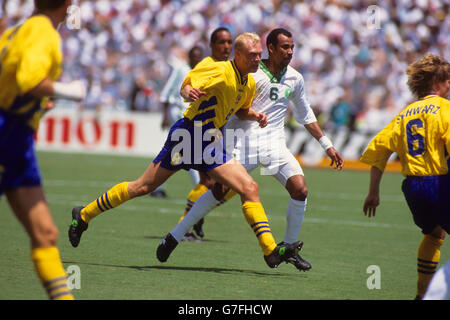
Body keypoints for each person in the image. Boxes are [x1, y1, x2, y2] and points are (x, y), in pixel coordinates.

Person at [69, 33, 303, 269]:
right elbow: (187, 85)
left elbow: (241, 110)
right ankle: (84, 216)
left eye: (259, 55)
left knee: (249, 187)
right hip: (188, 136)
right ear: (238, 55)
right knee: (142, 187)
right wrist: (188, 92)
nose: (257, 59)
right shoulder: (220, 70)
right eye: (252, 55)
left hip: (209, 141)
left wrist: (255, 115)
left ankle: (270, 251)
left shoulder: (249, 82)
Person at [173, 28, 344, 271]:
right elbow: (237, 106)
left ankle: (289, 246)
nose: (290, 52)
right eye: (284, 47)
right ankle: (177, 233)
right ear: (270, 48)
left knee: (300, 189)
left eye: (292, 47)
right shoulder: (252, 74)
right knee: (219, 191)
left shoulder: (295, 78)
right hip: (242, 141)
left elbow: (305, 114)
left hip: (274, 145)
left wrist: (327, 145)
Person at [0, 0, 86, 300]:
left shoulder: (19, 30)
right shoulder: (43, 33)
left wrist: (38, 104)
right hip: (5, 133)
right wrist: (70, 90)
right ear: (66, 6)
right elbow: (30, 80)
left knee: (46, 234)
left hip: (15, 139)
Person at [361, 53, 450, 300]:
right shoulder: (445, 110)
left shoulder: (405, 114)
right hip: (440, 183)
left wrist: (373, 192)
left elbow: (379, 150)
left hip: (412, 187)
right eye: (447, 80)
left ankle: (422, 294)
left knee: (434, 235)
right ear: (436, 83)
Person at [178, 27, 233, 240]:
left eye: (229, 42)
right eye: (222, 42)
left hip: (214, 133)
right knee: (210, 183)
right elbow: (185, 87)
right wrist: (187, 92)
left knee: (215, 185)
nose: (226, 47)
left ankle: (193, 220)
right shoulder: (207, 66)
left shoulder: (228, 67)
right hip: (197, 132)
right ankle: (186, 225)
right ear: (212, 45)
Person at [151, 45, 204, 199]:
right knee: (190, 151)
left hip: (191, 115)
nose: (197, 59)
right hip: (178, 112)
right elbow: (167, 91)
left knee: (176, 152)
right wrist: (165, 115)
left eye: (199, 56)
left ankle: (156, 186)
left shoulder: (201, 71)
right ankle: (199, 189)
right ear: (190, 57)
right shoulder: (181, 69)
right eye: (194, 56)